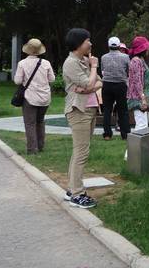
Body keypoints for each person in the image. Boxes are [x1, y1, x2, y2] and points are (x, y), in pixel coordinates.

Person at [62, 28, 102, 208]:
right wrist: (93, 68)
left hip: (90, 109)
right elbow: (89, 82)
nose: (91, 44)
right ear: (79, 43)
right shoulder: (71, 62)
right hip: (79, 110)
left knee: (79, 151)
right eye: (88, 40)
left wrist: (88, 86)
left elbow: (99, 81)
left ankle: (72, 188)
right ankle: (77, 194)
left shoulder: (83, 60)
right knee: (81, 152)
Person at [14, 38, 55, 154]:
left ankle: (32, 149)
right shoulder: (46, 63)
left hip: (29, 97)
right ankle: (41, 146)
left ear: (27, 50)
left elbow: (17, 81)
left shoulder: (22, 63)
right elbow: (52, 79)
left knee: (30, 123)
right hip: (45, 97)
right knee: (40, 121)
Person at [100, 36, 130, 140]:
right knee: (123, 110)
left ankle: (107, 134)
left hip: (107, 84)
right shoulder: (125, 57)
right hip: (120, 85)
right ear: (118, 45)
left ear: (109, 45)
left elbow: (103, 71)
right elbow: (128, 71)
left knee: (107, 109)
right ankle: (125, 134)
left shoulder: (103, 57)